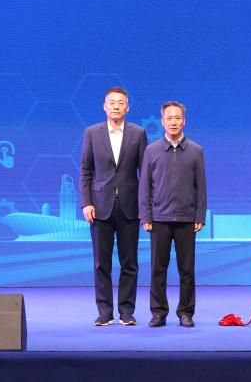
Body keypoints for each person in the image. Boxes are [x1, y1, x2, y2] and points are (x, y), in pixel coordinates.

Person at [79, 86, 149, 326]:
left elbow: (145, 173)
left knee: (129, 262)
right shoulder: (92, 133)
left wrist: (144, 205)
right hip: (100, 206)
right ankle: (105, 312)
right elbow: (86, 171)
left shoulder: (138, 133)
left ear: (127, 107)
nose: (116, 106)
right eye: (112, 102)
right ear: (104, 106)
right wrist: (86, 202)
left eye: (121, 103)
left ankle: (126, 311)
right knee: (102, 263)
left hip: (130, 206)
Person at [139, 100, 207, 328]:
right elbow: (144, 186)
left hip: (187, 219)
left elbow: (201, 186)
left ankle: (186, 312)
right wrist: (146, 216)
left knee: (186, 270)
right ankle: (158, 312)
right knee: (158, 269)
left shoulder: (196, 151)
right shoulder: (151, 151)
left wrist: (200, 216)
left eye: (177, 118)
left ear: (184, 121)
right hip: (159, 219)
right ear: (162, 122)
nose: (173, 122)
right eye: (169, 118)